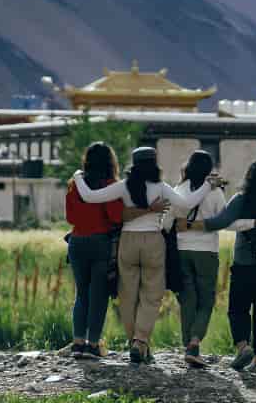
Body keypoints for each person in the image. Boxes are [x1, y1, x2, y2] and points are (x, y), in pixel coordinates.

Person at [72, 146, 220, 364]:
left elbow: (90, 197)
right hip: (153, 241)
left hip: (128, 242)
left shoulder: (123, 186)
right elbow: (187, 203)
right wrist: (208, 185)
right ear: (154, 163)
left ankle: (134, 342)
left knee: (128, 297)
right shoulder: (161, 187)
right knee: (151, 295)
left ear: (134, 164)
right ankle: (140, 341)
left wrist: (78, 176)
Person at [183, 159, 256, 373]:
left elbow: (220, 222)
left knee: (237, 309)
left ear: (249, 177)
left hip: (245, 265)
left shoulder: (241, 199)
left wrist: (190, 225)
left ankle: (244, 347)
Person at [164, 150, 256, 367]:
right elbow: (227, 223)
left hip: (182, 251)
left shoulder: (178, 190)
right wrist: (254, 222)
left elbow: (166, 224)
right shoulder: (214, 194)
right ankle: (194, 342)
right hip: (206, 252)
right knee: (206, 301)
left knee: (187, 299)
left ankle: (189, 347)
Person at [63, 142, 124, 360]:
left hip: (77, 242)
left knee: (82, 294)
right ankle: (93, 344)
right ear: (110, 162)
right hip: (100, 243)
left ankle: (78, 342)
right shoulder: (109, 185)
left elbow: (70, 218)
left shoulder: (74, 185)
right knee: (98, 294)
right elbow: (116, 216)